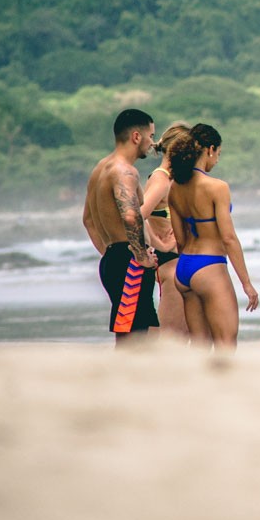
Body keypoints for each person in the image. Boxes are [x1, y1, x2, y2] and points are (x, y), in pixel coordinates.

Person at [165, 124, 258, 350]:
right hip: (210, 266)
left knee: (200, 347)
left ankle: (201, 385)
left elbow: (179, 239)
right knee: (226, 343)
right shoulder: (217, 187)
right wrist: (247, 284)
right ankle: (225, 385)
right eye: (218, 154)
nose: (216, 160)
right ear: (210, 149)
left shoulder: (175, 188)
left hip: (185, 268)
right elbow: (228, 238)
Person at [82, 108, 159, 347]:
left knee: (134, 330)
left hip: (114, 259)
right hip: (129, 262)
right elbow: (130, 216)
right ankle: (130, 379)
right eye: (151, 135)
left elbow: (88, 220)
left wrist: (110, 252)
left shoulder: (100, 169)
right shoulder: (125, 171)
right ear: (137, 136)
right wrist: (139, 256)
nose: (152, 142)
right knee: (135, 335)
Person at [139, 122, 208, 342]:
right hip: (169, 264)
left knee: (188, 332)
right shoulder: (160, 181)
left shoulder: (172, 180)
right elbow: (136, 216)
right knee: (173, 335)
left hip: (181, 262)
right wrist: (160, 245)